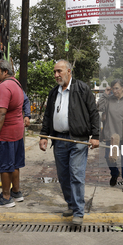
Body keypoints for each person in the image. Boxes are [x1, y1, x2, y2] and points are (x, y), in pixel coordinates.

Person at [39, 60, 99, 226]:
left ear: (69, 71)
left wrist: (95, 135)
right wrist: (44, 135)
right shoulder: (54, 93)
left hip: (78, 140)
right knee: (63, 176)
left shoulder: (82, 88)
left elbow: (94, 112)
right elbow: (48, 115)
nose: (56, 75)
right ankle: (72, 205)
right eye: (55, 72)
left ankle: (79, 212)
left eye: (59, 71)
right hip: (59, 140)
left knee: (76, 174)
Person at [0, 59, 25, 208]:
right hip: (16, 132)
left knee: (5, 166)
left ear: (5, 72)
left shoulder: (4, 87)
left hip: (6, 134)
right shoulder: (16, 84)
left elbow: (1, 112)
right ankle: (16, 192)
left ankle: (6, 197)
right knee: (14, 164)